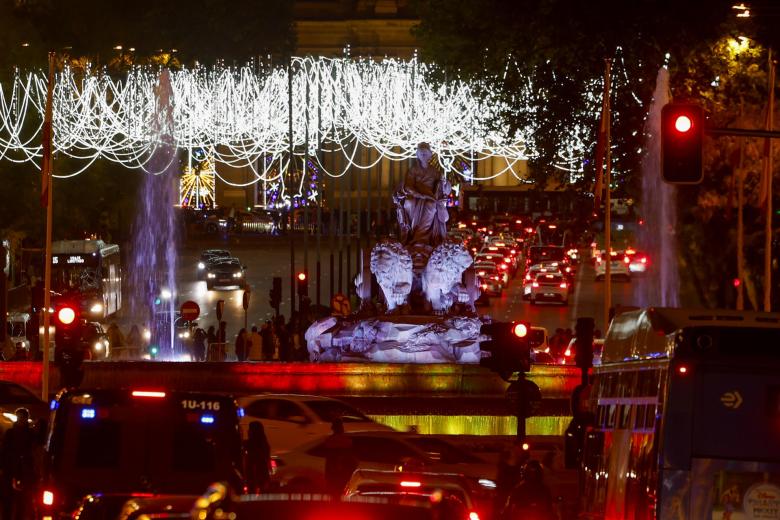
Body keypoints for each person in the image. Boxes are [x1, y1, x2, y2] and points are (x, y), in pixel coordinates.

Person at [394, 142, 451, 247]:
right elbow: (407, 186)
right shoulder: (413, 170)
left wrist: (445, 184)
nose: (423, 155)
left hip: (430, 197)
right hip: (415, 196)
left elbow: (443, 188)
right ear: (417, 155)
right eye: (421, 153)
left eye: (425, 153)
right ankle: (412, 235)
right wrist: (420, 195)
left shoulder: (435, 172)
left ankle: (420, 237)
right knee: (409, 203)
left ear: (430, 155)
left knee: (431, 205)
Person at [0, 408, 36, 520]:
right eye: (19, 417)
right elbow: (4, 450)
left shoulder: (30, 434)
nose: (20, 420)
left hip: (23, 469)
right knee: (8, 497)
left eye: (22, 418)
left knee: (21, 498)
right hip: (11, 468)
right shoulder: (11, 433)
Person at [323, 418, 358, 495]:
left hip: (333, 471)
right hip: (342, 471)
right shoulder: (347, 441)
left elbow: (328, 457)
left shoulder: (329, 440)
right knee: (340, 491)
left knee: (333, 492)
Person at [244, 421, 271, 494]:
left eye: (249, 429)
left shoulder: (252, 443)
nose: (248, 431)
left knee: (252, 491)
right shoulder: (264, 443)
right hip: (262, 472)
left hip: (255, 472)